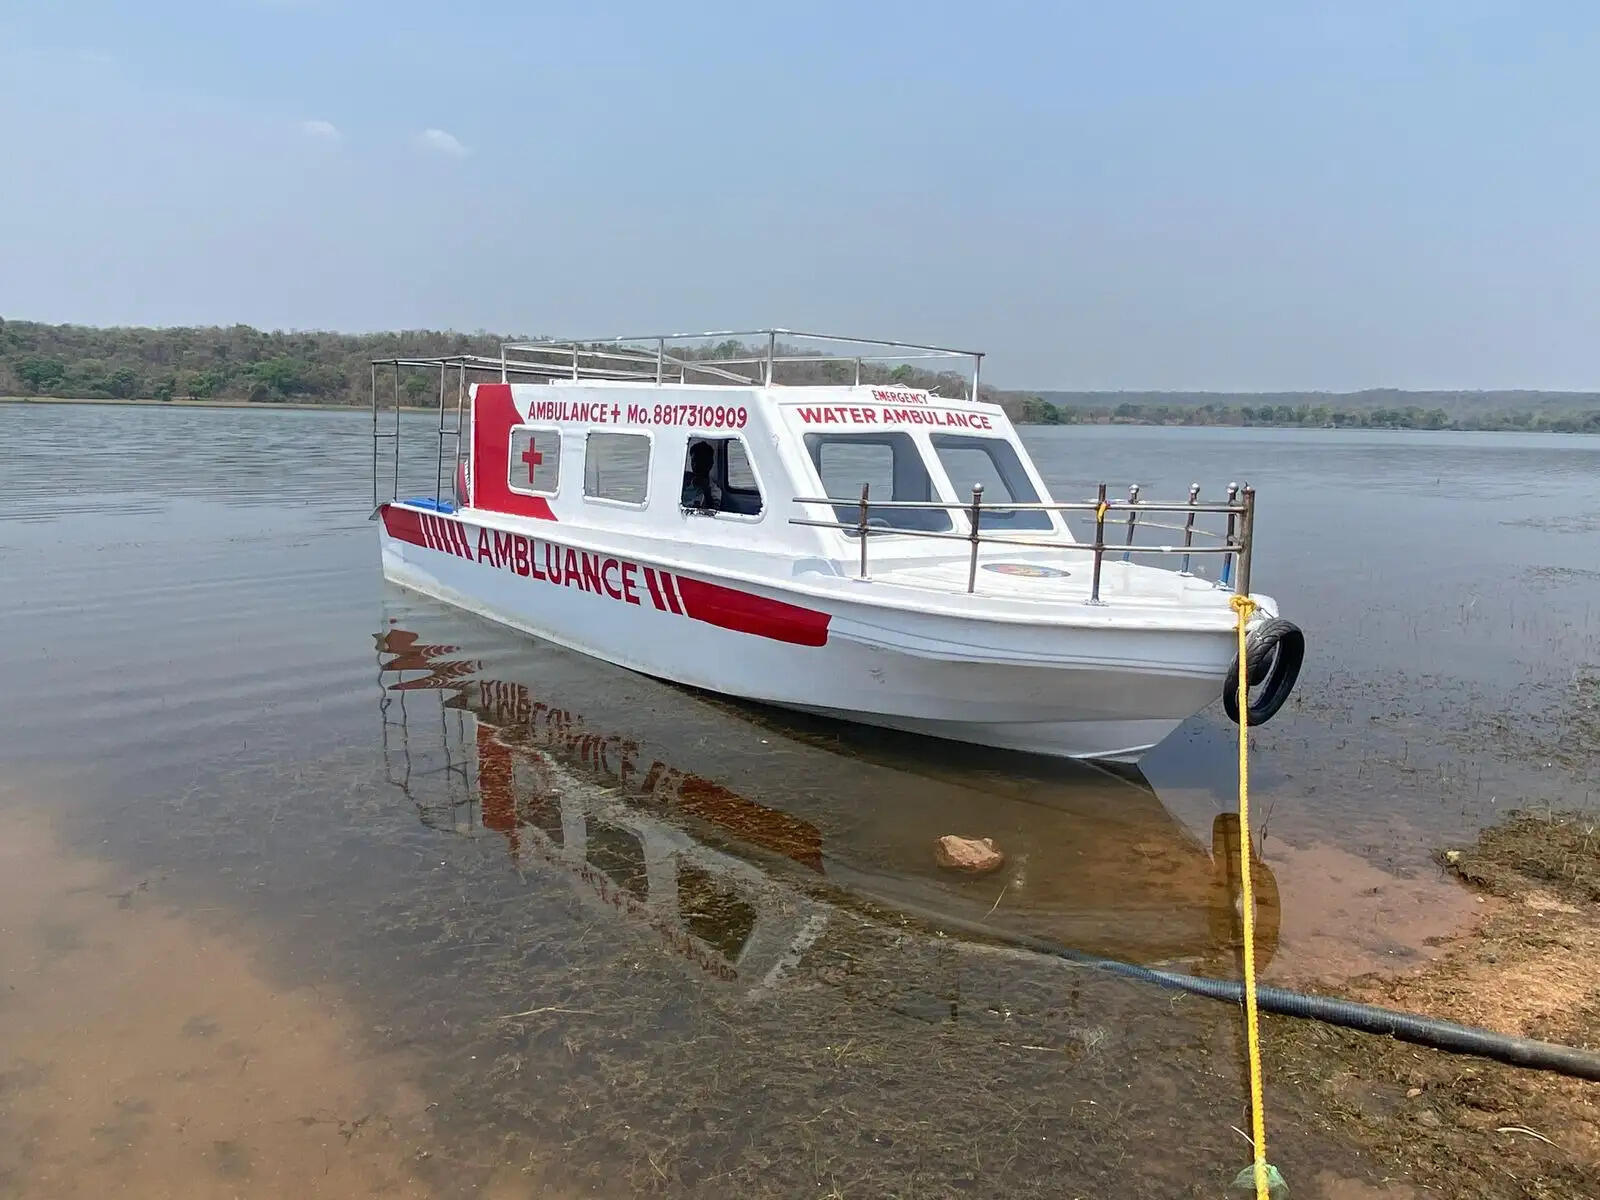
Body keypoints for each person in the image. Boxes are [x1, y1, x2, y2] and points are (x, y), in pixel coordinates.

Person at [681, 440, 722, 511]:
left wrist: (706, 492)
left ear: (710, 464)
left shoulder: (715, 491)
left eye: (700, 461)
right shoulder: (683, 480)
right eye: (693, 461)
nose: (695, 465)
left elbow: (713, 514)